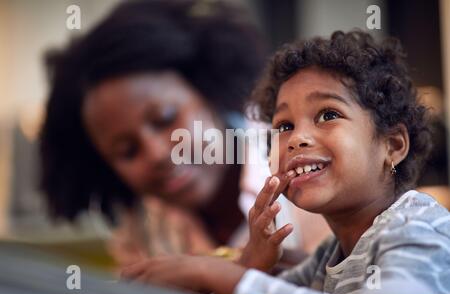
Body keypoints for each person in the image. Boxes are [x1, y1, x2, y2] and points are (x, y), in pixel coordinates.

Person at [120, 30, 450, 294]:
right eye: (284, 126)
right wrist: (252, 265)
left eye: (328, 115)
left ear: (392, 145)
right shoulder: (327, 257)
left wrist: (219, 275)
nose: (295, 139)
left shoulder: (413, 226)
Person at [39, 0, 329, 267]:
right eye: (127, 151)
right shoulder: (141, 234)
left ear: (210, 91)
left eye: (165, 119)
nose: (157, 154)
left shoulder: (308, 168)